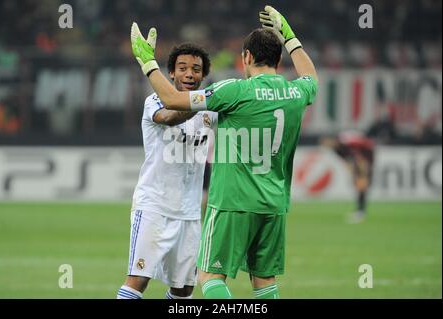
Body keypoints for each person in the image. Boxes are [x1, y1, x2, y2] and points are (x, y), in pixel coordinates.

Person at [130, 5, 318, 299]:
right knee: (264, 281)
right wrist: (290, 38)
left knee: (210, 276)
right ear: (279, 59)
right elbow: (311, 78)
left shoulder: (234, 91)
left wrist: (147, 64)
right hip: (274, 203)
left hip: (233, 200)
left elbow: (172, 99)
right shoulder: (296, 92)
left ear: (247, 57)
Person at [117, 43, 216, 299]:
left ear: (203, 75)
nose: (189, 74)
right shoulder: (155, 101)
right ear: (170, 73)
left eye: (196, 69)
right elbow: (170, 117)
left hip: (190, 213)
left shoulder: (211, 111)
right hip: (154, 207)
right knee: (138, 280)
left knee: (183, 289)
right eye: (182, 68)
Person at [321, 131, 375, 223]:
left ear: (331, 140)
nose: (326, 145)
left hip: (366, 152)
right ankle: (360, 211)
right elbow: (347, 160)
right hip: (359, 156)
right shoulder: (336, 149)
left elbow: (357, 151)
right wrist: (353, 171)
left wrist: (361, 165)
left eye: (326, 142)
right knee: (359, 184)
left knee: (362, 183)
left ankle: (361, 212)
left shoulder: (343, 142)